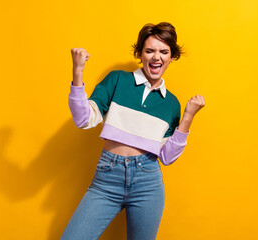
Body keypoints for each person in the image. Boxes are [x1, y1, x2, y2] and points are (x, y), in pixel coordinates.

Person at [61, 22, 205, 240]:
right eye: (150, 51)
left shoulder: (172, 104)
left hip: (148, 182)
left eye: (163, 51)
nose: (156, 57)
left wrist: (187, 118)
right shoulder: (118, 80)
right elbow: (83, 119)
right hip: (107, 179)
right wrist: (78, 71)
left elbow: (166, 157)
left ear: (172, 56)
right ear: (140, 54)